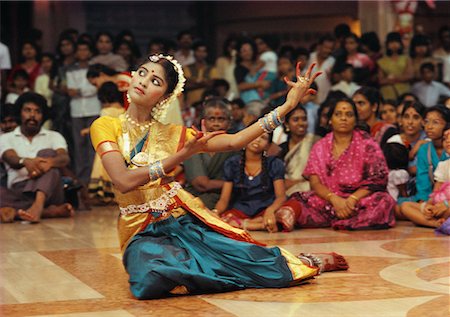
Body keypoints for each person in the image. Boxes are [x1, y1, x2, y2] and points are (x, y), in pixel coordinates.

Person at [90, 54, 349, 299]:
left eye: (155, 81)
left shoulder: (174, 134)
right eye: (143, 74)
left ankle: (304, 260)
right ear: (133, 76)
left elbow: (234, 141)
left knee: (247, 258)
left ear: (164, 97)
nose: (144, 82)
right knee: (149, 279)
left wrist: (288, 105)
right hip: (140, 230)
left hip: (179, 219)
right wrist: (181, 156)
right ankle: (200, 264)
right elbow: (123, 181)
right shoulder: (105, 126)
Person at [286, 97, 396, 230]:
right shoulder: (320, 146)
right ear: (331, 120)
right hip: (328, 200)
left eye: (349, 115)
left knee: (384, 202)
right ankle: (348, 218)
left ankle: (341, 220)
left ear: (355, 120)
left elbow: (378, 179)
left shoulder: (368, 144)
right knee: (299, 199)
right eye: (338, 114)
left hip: (359, 200)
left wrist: (352, 199)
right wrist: (334, 199)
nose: (343, 118)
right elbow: (314, 183)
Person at [0, 92, 73, 223]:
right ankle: (48, 212)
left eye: (37, 111)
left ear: (43, 115)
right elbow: (10, 158)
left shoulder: (54, 136)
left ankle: (37, 206)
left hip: (51, 190)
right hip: (18, 191)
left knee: (47, 153)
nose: (32, 115)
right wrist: (25, 162)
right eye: (27, 110)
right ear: (20, 113)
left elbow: (64, 158)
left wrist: (48, 162)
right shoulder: (6, 138)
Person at [215, 131, 290, 232]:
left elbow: (281, 197)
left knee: (288, 210)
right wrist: (215, 212)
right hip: (241, 210)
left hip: (266, 209)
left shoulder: (275, 164)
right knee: (223, 219)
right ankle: (260, 225)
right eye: (254, 135)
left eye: (263, 138)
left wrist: (270, 210)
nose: (258, 140)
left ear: (268, 145)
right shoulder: (232, 163)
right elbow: (224, 199)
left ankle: (245, 224)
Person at [66, 40, 102, 209]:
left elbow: (95, 89)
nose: (82, 52)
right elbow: (70, 90)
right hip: (76, 111)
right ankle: (81, 184)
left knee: (92, 146)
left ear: (89, 51)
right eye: (79, 49)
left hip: (94, 109)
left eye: (85, 49)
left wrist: (80, 91)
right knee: (79, 147)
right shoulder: (71, 69)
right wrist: (83, 91)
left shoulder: (95, 67)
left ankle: (93, 183)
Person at [183, 98, 236, 209]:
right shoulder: (193, 143)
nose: (216, 124)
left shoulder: (235, 145)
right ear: (203, 122)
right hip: (192, 196)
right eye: (212, 119)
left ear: (229, 123)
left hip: (224, 197)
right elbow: (201, 184)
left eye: (221, 119)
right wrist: (232, 185)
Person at [400, 127, 450, 228]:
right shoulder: (443, 165)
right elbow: (436, 192)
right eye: (445, 138)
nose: (448, 141)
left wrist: (447, 205)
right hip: (440, 208)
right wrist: (429, 206)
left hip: (448, 206)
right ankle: (437, 224)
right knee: (406, 206)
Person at [86, 82, 125, 204]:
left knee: (103, 169)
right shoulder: (123, 110)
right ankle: (115, 195)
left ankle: (102, 195)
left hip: (106, 143)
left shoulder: (106, 111)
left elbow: (101, 127)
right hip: (120, 145)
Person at [405, 105, 450, 202]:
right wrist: (424, 203)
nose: (429, 127)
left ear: (447, 125)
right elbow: (422, 181)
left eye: (435, 122)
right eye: (426, 122)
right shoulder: (424, 149)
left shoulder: (448, 147)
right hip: (432, 197)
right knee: (401, 207)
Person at [278, 104, 318, 196]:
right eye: (296, 120)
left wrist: (295, 182)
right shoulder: (281, 149)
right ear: (287, 124)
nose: (301, 123)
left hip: (311, 189)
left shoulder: (316, 142)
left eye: (304, 119)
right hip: (286, 193)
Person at [377, 32, 413, 101]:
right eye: (391, 42)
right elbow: (381, 80)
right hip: (387, 92)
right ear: (387, 44)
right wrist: (400, 79)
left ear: (400, 44)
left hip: (404, 91)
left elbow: (409, 76)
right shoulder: (381, 61)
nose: (394, 45)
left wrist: (391, 79)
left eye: (396, 42)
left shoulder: (406, 59)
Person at [183, 41, 218, 107]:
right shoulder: (187, 68)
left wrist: (194, 81)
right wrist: (204, 83)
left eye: (203, 51)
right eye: (198, 51)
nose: (201, 54)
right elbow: (186, 85)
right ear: (194, 52)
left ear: (207, 54)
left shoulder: (212, 69)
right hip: (190, 103)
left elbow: (212, 84)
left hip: (207, 104)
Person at [306, 35, 335, 104]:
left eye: (330, 48)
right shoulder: (310, 57)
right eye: (326, 48)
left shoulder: (333, 61)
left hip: (325, 98)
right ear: (319, 46)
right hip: (307, 99)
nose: (328, 51)